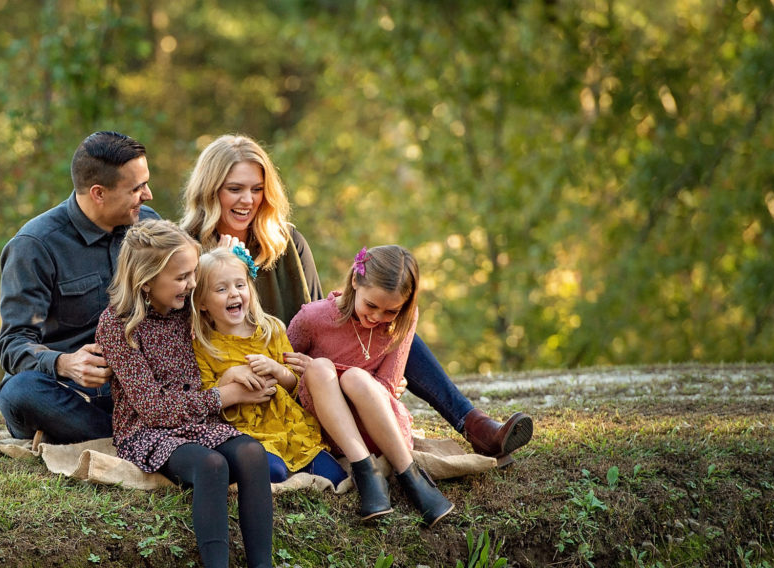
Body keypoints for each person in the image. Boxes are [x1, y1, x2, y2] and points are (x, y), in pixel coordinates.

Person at [179, 134, 532, 467]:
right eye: (235, 189)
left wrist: (379, 366)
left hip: (301, 365)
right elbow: (182, 330)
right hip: (241, 373)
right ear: (211, 191)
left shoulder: (287, 242)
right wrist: (218, 269)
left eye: (257, 189)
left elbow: (317, 316)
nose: (248, 200)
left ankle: (476, 425)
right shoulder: (187, 251)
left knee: (390, 321)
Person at [94, 220, 284, 568]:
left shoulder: (187, 310)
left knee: (251, 454)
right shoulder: (117, 324)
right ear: (146, 280)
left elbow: (230, 335)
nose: (191, 285)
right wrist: (224, 396)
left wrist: (238, 372)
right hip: (146, 430)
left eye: (193, 274)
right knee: (212, 465)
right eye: (182, 277)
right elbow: (154, 409)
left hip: (199, 421)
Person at [0, 131, 157, 444]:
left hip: (137, 385)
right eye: (137, 188)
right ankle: (135, 434)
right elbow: (13, 344)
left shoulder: (149, 226)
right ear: (99, 193)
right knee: (20, 393)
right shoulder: (35, 245)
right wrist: (65, 363)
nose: (147, 195)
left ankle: (129, 432)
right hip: (71, 392)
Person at [287, 245, 454, 527]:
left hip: (380, 423)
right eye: (371, 305)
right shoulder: (312, 318)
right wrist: (308, 370)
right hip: (331, 424)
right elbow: (281, 366)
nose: (377, 317)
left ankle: (411, 475)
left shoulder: (404, 319)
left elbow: (386, 386)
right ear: (355, 281)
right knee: (318, 369)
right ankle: (367, 472)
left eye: (390, 311)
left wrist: (330, 368)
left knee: (351, 377)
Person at [191, 245, 348, 488]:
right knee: (273, 472)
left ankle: (303, 464)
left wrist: (278, 370)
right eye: (221, 289)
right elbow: (206, 401)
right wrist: (230, 375)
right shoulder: (203, 345)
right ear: (202, 303)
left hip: (288, 425)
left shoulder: (271, 331)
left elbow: (297, 387)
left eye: (240, 285)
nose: (234, 294)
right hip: (248, 432)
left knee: (336, 477)